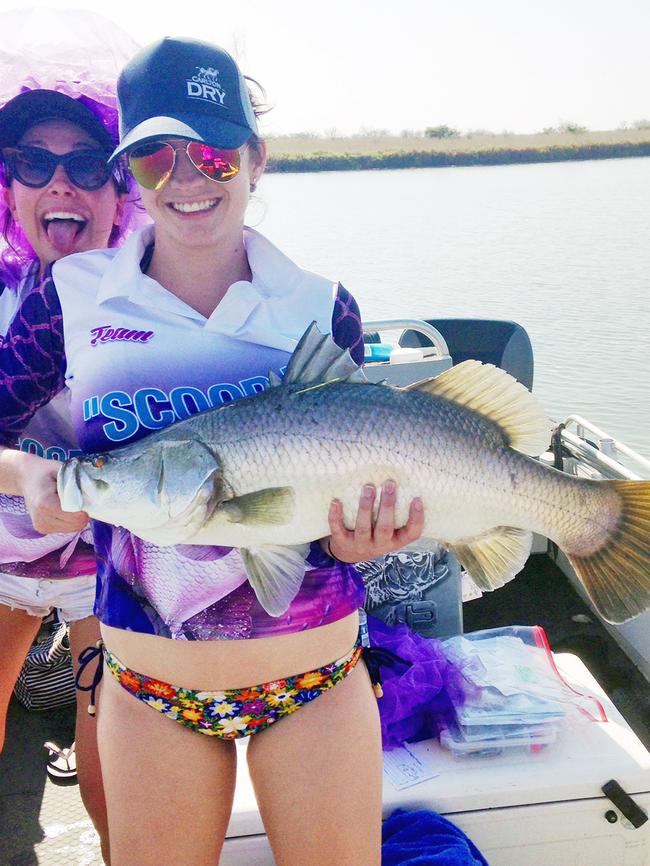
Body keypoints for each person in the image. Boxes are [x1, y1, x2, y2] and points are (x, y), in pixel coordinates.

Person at [0, 37, 424, 866]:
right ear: (129, 175)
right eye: (155, 160)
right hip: (148, 689)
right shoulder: (70, 296)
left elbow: (333, 509)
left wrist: (362, 538)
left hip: (317, 682)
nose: (186, 180)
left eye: (212, 154)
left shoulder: (320, 305)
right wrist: (27, 471)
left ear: (256, 158)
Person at [0, 81, 141, 862]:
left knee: (113, 750)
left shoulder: (157, 307)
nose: (60, 183)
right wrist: (26, 475)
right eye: (31, 162)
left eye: (88, 165)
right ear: (9, 186)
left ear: (120, 192)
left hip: (110, 564)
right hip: (2, 552)